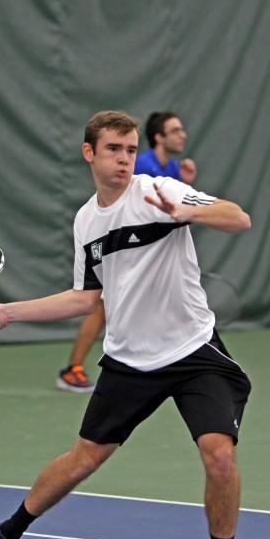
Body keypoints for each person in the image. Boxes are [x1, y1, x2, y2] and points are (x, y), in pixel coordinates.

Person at [0, 110, 257, 539]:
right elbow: (83, 298)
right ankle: (4, 536)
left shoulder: (160, 192)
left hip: (192, 352)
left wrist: (188, 212)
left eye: (130, 149)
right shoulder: (86, 220)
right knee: (83, 460)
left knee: (219, 454)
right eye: (113, 149)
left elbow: (238, 217)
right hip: (128, 359)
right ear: (89, 153)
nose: (123, 159)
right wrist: (9, 312)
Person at [56, 111, 196, 393]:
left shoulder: (172, 167)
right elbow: (128, 207)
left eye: (128, 149)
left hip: (140, 256)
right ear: (159, 137)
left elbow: (173, 213)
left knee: (100, 308)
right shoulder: (143, 165)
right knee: (97, 307)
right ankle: (73, 368)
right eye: (175, 130)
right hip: (119, 251)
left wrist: (188, 183)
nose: (182, 135)